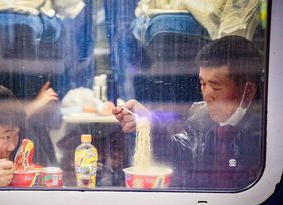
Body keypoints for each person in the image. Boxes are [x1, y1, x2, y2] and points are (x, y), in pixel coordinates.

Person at [112, 35, 264, 189]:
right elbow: (180, 154)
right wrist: (149, 123)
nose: (207, 95)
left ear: (249, 91)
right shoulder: (201, 117)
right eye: (203, 83)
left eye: (216, 87)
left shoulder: (263, 133)